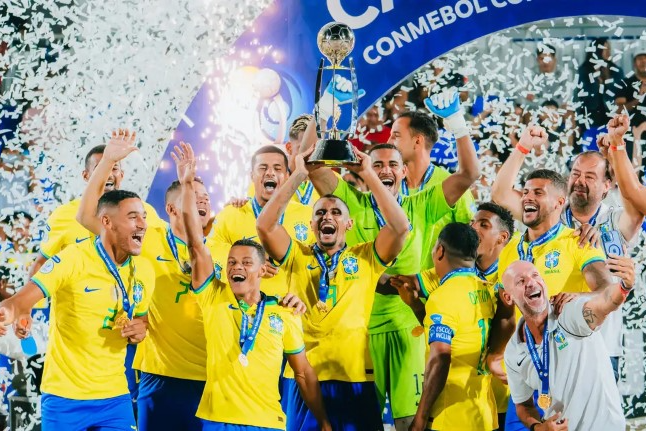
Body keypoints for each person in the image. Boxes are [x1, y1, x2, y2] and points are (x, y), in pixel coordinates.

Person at [305, 90, 480, 430]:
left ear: (404, 171)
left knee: (409, 421)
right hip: (360, 327)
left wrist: (457, 122)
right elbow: (310, 164)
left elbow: (470, 173)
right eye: (377, 164)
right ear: (364, 168)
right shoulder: (348, 199)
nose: (385, 169)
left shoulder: (424, 203)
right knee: (363, 422)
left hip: (408, 326)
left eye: (392, 164)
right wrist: (321, 116)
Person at [172, 141, 331, 431]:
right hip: (219, 419)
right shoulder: (215, 297)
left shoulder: (284, 312)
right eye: (232, 263)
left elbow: (305, 374)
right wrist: (186, 185)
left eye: (246, 263)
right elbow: (198, 244)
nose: (236, 268)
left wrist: (323, 421)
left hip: (268, 418)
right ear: (251, 175)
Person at [257, 145, 410, 430]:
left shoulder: (366, 257)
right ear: (312, 225)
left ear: (349, 223)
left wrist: (368, 174)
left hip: (354, 378)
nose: (328, 217)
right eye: (320, 214)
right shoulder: (296, 255)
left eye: (336, 213)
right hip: (303, 378)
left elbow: (401, 228)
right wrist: (298, 175)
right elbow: (265, 226)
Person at [75, 135, 213, 431]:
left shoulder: (226, 249)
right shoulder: (149, 235)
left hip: (213, 377)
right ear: (172, 209)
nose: (200, 201)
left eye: (205, 199)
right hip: (159, 375)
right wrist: (109, 161)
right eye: (192, 196)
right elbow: (89, 215)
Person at [492, 120, 644, 378]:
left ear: (607, 185)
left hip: (603, 343)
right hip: (555, 342)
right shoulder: (550, 215)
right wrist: (523, 146)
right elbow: (500, 195)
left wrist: (617, 149)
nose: (579, 181)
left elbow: (634, 194)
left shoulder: (617, 220)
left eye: (590, 176)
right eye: (575, 173)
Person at [0, 189, 152, 430]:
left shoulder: (144, 271)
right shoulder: (73, 258)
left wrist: (140, 330)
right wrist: (9, 311)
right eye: (133, 217)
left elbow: (142, 320)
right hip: (64, 398)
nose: (143, 224)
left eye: (144, 216)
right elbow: (20, 299)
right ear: (107, 222)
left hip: (114, 397)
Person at [501, 260, 628, 430]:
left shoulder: (568, 313)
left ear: (543, 283)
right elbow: (523, 406)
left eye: (535, 275)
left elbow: (604, 304)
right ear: (508, 297)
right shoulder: (513, 351)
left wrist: (624, 287)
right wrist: (539, 428)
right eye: (521, 281)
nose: (531, 283)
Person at [409, 223, 497, 431]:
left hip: (451, 418)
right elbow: (461, 335)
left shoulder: (443, 296)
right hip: (484, 415)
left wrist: (420, 418)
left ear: (440, 251)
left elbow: (440, 358)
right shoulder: (487, 290)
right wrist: (414, 305)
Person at [207, 145, 312, 297]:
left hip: (292, 313)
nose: (270, 173)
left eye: (277, 169)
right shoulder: (230, 215)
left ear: (287, 176)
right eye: (263, 168)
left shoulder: (307, 216)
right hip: (242, 313)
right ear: (252, 176)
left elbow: (320, 261)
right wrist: (248, 262)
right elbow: (210, 253)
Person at [574, 37, 624, 151]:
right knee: (590, 150)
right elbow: (581, 96)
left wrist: (607, 81)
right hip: (589, 117)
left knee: (610, 150)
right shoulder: (584, 70)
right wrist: (596, 82)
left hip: (611, 116)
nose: (608, 52)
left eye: (609, 49)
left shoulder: (616, 70)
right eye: (605, 49)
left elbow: (619, 93)